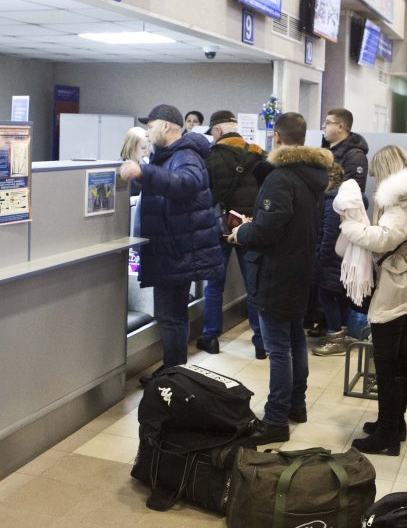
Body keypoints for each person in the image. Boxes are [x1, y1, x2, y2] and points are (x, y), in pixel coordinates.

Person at [227, 112, 332, 443]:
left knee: (278, 348)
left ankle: (275, 421)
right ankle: (295, 406)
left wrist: (242, 232)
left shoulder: (281, 177)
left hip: (276, 271)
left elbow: (269, 229)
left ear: (277, 138)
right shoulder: (314, 175)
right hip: (301, 268)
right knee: (295, 339)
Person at [337, 148, 407, 455]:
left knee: (387, 360)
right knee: (400, 358)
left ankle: (387, 434)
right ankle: (394, 422)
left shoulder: (401, 203)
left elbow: (383, 239)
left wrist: (351, 226)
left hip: (396, 284)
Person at [119, 104, 222, 385]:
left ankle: (174, 375)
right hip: (173, 248)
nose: (148, 132)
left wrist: (144, 173)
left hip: (176, 250)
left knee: (170, 316)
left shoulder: (184, 154)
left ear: (166, 126)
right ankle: (175, 372)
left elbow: (186, 185)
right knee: (172, 314)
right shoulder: (170, 156)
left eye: (151, 126)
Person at [197, 110, 267, 358]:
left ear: (217, 130)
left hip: (220, 229)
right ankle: (260, 342)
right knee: (253, 285)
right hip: (250, 228)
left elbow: (207, 195)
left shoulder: (212, 157)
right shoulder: (259, 153)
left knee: (215, 285)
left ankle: (211, 337)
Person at [311, 162, 353, 356]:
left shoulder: (331, 200)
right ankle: (341, 334)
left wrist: (320, 258)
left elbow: (328, 233)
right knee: (340, 297)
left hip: (330, 259)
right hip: (342, 257)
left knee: (327, 297)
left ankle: (335, 337)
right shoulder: (345, 198)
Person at [322, 108, 369, 193]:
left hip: (336, 205)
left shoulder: (355, 157)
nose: (323, 126)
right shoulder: (327, 152)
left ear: (340, 127)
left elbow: (351, 194)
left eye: (328, 123)